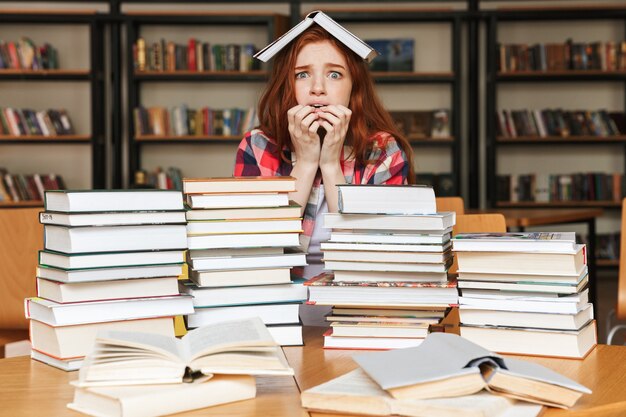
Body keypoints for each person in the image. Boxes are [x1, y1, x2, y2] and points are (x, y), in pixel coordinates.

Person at [233, 24, 415, 324]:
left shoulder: (384, 151)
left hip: (361, 309)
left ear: (354, 86)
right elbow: (255, 256)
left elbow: (375, 259)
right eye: (302, 74)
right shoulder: (256, 146)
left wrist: (330, 165)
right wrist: (305, 164)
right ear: (286, 86)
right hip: (274, 308)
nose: (317, 88)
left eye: (334, 74)